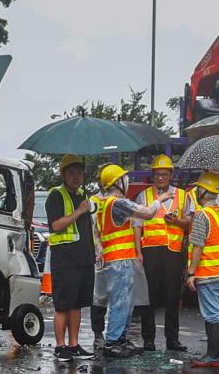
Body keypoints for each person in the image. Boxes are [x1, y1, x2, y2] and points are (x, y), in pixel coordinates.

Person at [93, 163, 161, 357]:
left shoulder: (104, 204)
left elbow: (98, 232)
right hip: (120, 261)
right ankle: (112, 342)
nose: (127, 181)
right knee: (121, 302)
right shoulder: (117, 203)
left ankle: (121, 339)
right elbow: (148, 213)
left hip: (119, 260)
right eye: (124, 178)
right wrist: (160, 199)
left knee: (126, 302)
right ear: (118, 182)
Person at [185, 170, 219, 368]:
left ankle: (214, 356)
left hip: (209, 274)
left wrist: (191, 273)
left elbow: (198, 246)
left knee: (214, 315)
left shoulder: (201, 215)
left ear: (202, 191)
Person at [44, 155, 96, 362]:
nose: (76, 177)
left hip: (84, 258)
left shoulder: (84, 195)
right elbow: (56, 225)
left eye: (79, 172)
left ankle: (74, 345)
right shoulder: (55, 195)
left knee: (78, 304)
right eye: (71, 173)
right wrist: (79, 211)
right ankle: (60, 346)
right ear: (63, 175)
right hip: (65, 258)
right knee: (63, 304)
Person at [137, 154, 189, 352]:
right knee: (148, 297)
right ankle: (148, 339)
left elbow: (189, 222)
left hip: (173, 252)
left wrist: (176, 221)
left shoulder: (183, 195)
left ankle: (172, 339)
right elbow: (138, 224)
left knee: (172, 297)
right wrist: (137, 251)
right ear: (153, 175)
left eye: (164, 174)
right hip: (150, 251)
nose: (160, 178)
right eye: (157, 174)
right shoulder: (144, 196)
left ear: (170, 175)